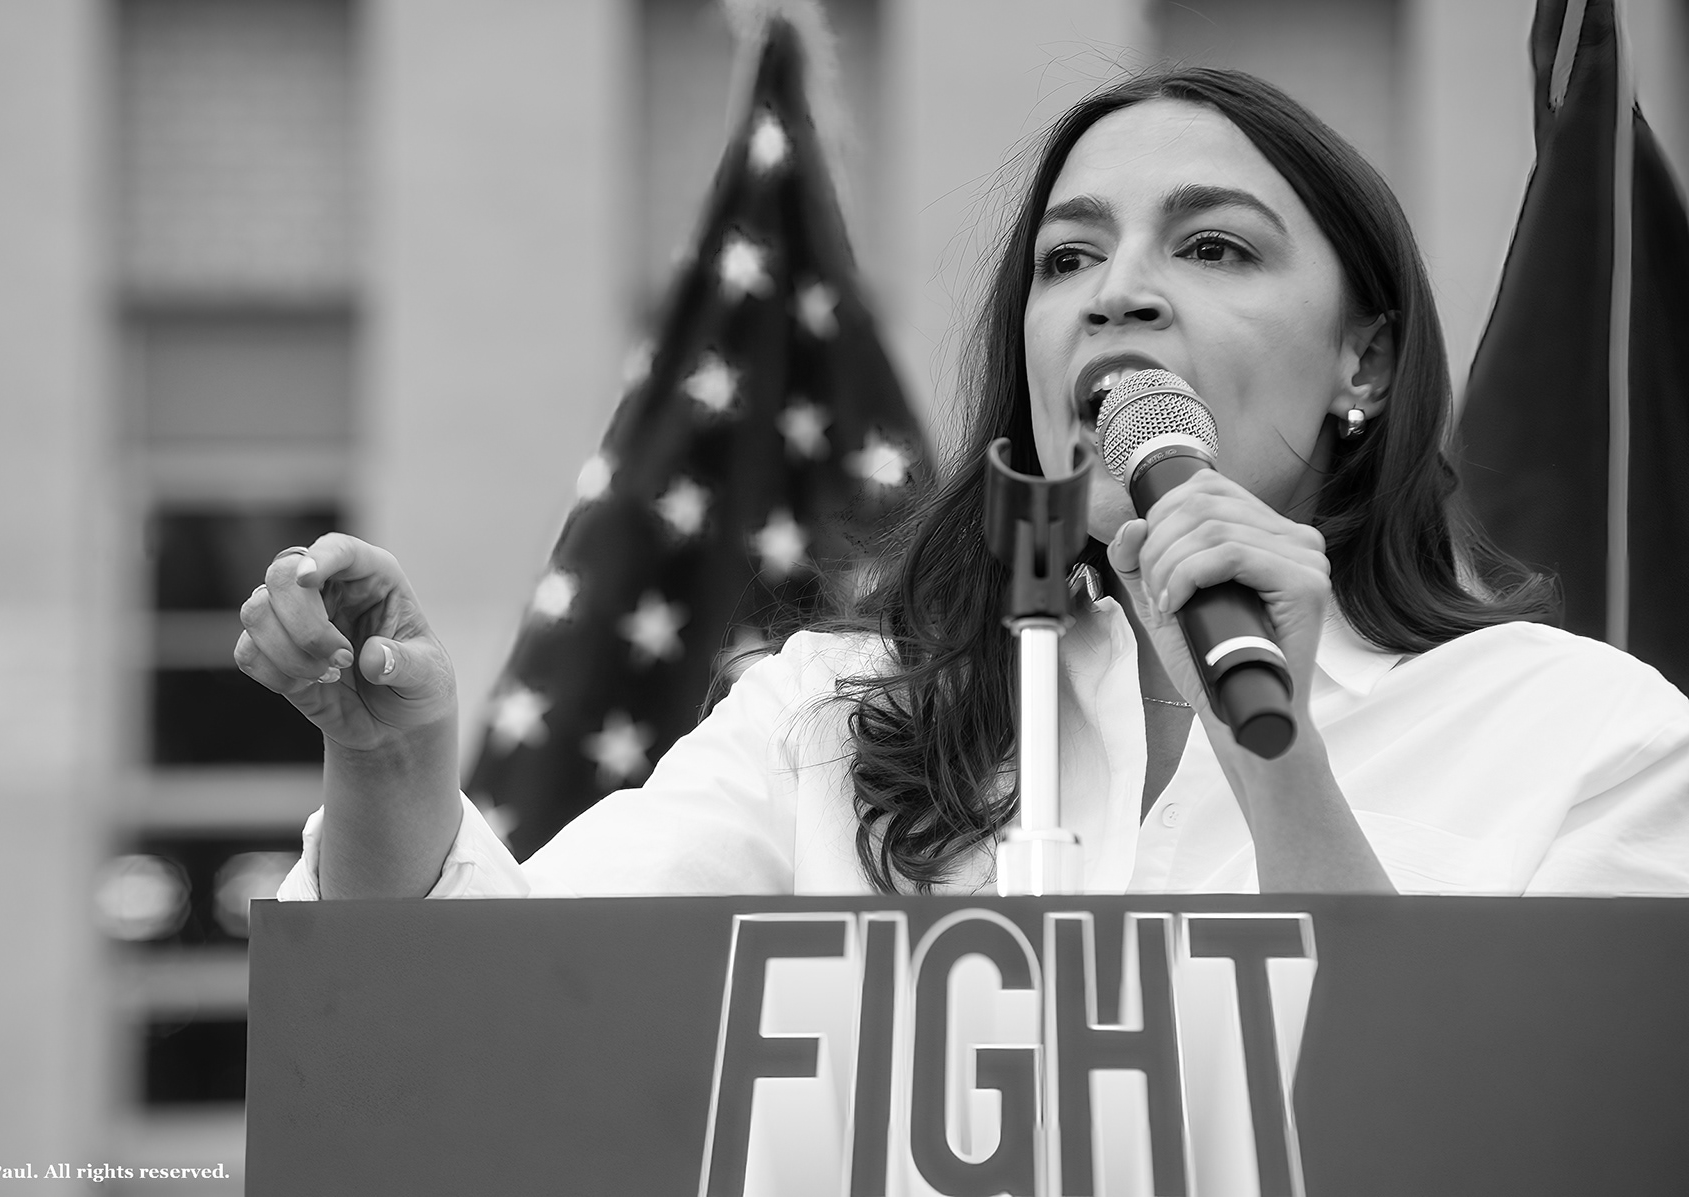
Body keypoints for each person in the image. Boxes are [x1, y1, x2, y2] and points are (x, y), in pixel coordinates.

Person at [237, 67, 1689, 902]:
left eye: (1215, 248)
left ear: (1363, 362)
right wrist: (389, 764)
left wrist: (1281, 763)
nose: (1119, 293)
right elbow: (492, 1018)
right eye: (1068, 260)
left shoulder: (1585, 736)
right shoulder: (834, 715)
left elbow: (1506, 1131)